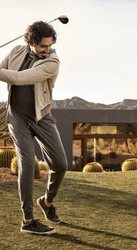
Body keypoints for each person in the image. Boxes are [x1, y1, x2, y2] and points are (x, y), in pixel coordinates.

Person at [0, 21, 68, 234]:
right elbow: (3, 69)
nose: (46, 50)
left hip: (42, 117)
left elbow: (21, 79)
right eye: (42, 46)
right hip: (17, 116)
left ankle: (47, 201)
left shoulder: (52, 61)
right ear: (30, 42)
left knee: (60, 164)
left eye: (49, 45)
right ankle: (28, 220)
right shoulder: (16, 51)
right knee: (27, 163)